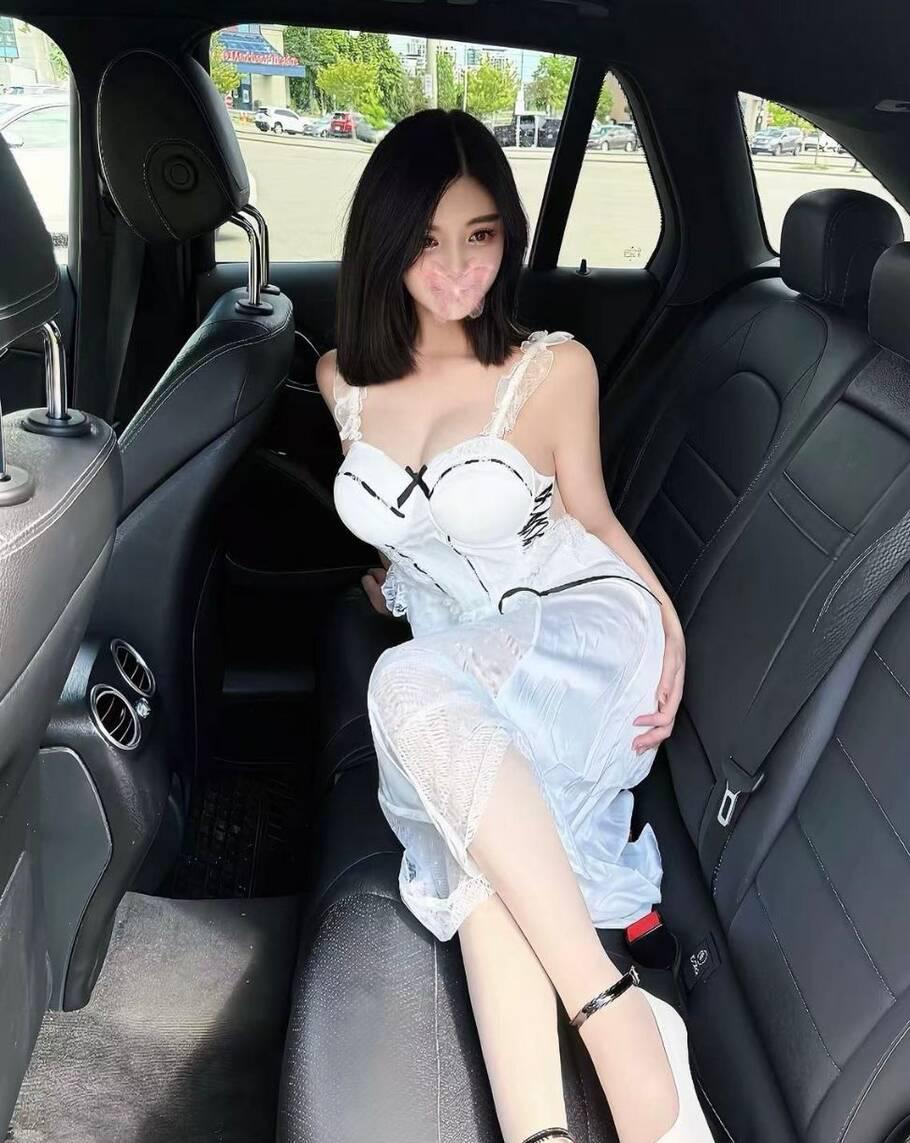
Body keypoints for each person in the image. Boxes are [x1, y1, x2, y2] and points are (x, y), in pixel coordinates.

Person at [316, 108, 712, 1143]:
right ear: (381, 243)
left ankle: (614, 1022)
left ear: (509, 235)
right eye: (426, 241)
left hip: (575, 629)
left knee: (402, 691)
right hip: (461, 661)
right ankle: (544, 1130)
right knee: (474, 839)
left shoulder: (551, 368)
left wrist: (667, 625)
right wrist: (395, 582)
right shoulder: (338, 379)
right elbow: (414, 529)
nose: (457, 270)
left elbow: (594, 519)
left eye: (481, 235)